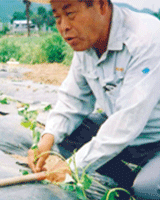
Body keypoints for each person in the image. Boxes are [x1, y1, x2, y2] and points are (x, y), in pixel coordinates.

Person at [28, 0, 160, 199]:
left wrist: (72, 167)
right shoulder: (86, 44)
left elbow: (127, 122)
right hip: (128, 142)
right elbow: (72, 100)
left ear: (101, 5)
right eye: (57, 17)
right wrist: (47, 139)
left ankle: (143, 181)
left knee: (147, 188)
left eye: (70, 13)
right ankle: (125, 182)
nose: (64, 26)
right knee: (64, 137)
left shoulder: (146, 38)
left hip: (154, 138)